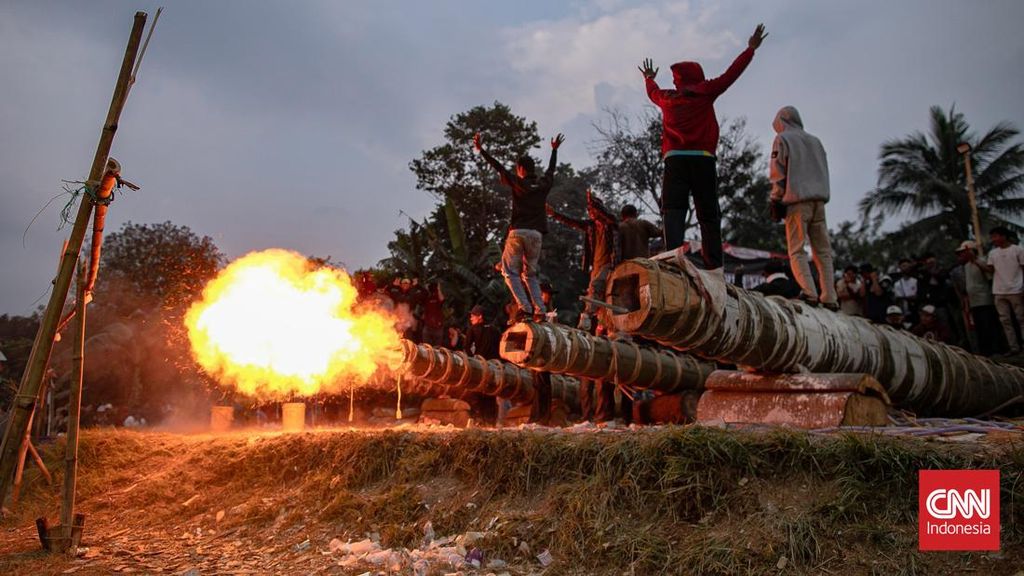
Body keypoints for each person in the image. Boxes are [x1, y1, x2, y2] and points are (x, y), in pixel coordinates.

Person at [640, 24, 767, 273]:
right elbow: (731, 74)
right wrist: (750, 49)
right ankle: (714, 266)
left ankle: (671, 260)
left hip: (674, 160)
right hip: (703, 159)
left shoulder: (667, 98)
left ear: (677, 80)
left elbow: (652, 93)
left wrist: (648, 78)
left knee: (673, 210)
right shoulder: (706, 91)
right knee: (708, 214)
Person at [475, 131, 564, 321]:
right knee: (530, 274)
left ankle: (525, 307)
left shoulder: (518, 182)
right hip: (536, 235)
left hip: (518, 232)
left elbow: (498, 166)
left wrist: (481, 150)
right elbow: (551, 171)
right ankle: (540, 310)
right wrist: (554, 151)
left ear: (521, 169)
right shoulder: (543, 184)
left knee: (508, 271)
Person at [767, 105, 837, 309]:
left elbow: (778, 171)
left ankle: (809, 292)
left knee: (797, 250)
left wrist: (775, 198)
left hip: (797, 202)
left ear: (781, 121)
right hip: (819, 202)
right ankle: (830, 297)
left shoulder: (783, 139)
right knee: (823, 251)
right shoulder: (816, 141)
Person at [547, 189, 617, 330]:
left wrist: (592, 201)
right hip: (596, 265)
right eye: (589, 210)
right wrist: (554, 214)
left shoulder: (610, 224)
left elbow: (608, 216)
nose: (590, 212)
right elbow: (572, 221)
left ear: (599, 210)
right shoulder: (590, 226)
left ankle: (587, 315)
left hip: (609, 263)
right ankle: (600, 326)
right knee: (593, 292)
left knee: (597, 285)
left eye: (592, 209)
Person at [978, 226, 1024, 354]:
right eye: (992, 237)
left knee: (1021, 318)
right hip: (999, 291)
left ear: (1004, 236)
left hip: (1016, 289)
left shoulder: (1018, 250)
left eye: (995, 236)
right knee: (1005, 320)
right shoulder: (993, 253)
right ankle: (1013, 347)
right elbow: (990, 270)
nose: (993, 239)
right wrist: (976, 261)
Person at [954, 240, 1002, 355]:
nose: (962, 254)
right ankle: (985, 351)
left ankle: (996, 349)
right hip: (973, 301)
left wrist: (975, 260)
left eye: (964, 252)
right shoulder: (966, 266)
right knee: (979, 327)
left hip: (984, 299)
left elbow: (989, 276)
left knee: (989, 325)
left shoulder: (982, 261)